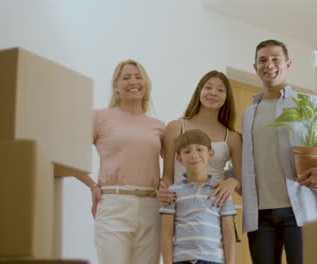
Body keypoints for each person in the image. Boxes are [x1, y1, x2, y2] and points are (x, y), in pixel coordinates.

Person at [241, 40, 317, 264]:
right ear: (255, 67)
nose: (268, 64)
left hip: (301, 212)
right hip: (260, 216)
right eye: (262, 60)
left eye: (275, 58)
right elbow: (247, 161)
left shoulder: (311, 104)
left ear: (288, 64)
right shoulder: (248, 114)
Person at [75, 59, 165, 264]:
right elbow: (69, 153)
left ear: (146, 84)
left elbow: (174, 168)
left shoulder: (159, 126)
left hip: (152, 208)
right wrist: (92, 186)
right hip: (113, 205)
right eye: (126, 77)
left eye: (138, 76)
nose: (133, 81)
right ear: (115, 86)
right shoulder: (99, 117)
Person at [158, 70, 242, 207]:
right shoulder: (175, 127)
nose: (213, 93)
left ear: (227, 97)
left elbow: (241, 182)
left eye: (220, 90)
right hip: (181, 209)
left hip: (216, 210)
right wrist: (163, 194)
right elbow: (168, 175)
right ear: (199, 91)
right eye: (208, 87)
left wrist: (232, 182)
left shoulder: (232, 138)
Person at [160, 129, 236, 264]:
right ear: (179, 159)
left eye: (199, 149)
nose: (194, 155)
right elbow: (166, 234)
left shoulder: (221, 191)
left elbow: (229, 234)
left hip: (214, 260)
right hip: (182, 260)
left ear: (210, 154)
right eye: (187, 151)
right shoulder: (172, 192)